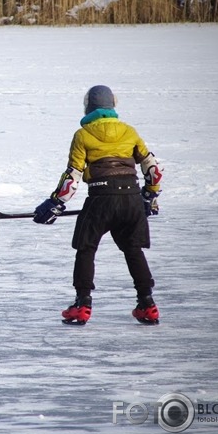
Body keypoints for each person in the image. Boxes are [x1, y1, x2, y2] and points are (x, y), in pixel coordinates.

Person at [33, 85, 163, 325]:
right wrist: (150, 196)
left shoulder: (82, 134)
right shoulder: (129, 131)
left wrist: (55, 203)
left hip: (101, 197)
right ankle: (147, 304)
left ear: (88, 106)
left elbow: (73, 175)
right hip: (132, 198)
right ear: (113, 105)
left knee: (86, 248)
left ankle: (82, 304)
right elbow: (152, 169)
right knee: (133, 250)